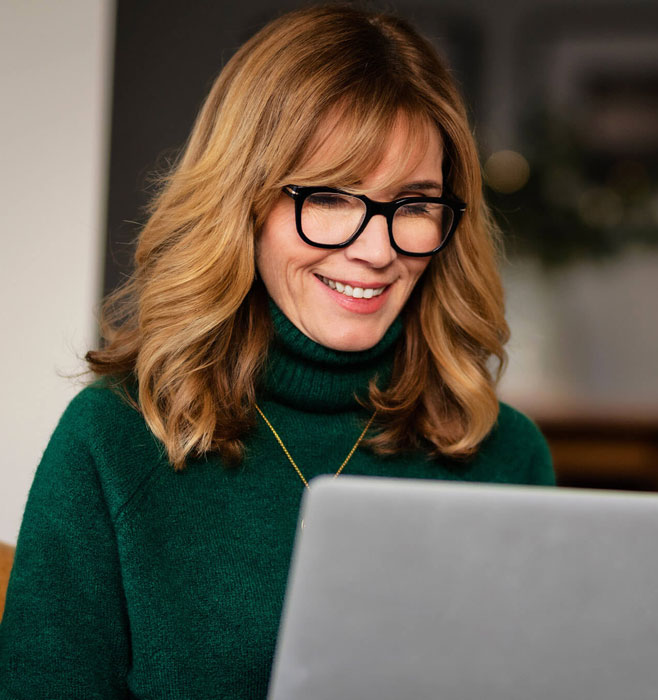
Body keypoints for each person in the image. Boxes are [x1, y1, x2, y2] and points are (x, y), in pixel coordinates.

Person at [0, 4, 554, 698]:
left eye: (413, 204)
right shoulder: (113, 442)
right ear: (244, 202)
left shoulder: (507, 454)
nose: (377, 250)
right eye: (329, 197)